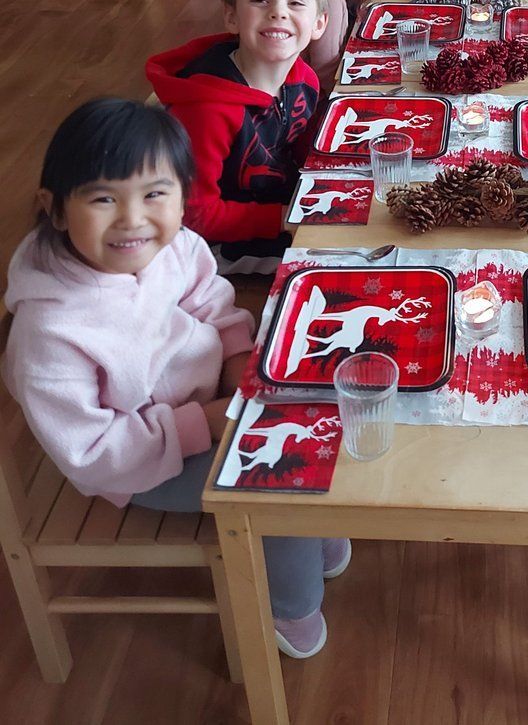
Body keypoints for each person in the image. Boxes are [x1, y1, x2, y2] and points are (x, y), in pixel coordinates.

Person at [1, 98, 350, 660]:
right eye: (103, 198)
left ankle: (306, 536)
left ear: (182, 196)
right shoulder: (50, 331)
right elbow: (94, 452)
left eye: (155, 194)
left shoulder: (171, 245)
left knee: (317, 393)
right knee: (286, 476)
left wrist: (238, 359)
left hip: (205, 400)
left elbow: (212, 300)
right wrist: (204, 425)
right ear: (56, 210)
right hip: (143, 463)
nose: (133, 218)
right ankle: (292, 605)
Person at [146, 0, 328, 273]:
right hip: (214, 241)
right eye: (260, 0)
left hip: (276, 205)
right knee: (333, 259)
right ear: (231, 16)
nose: (278, 12)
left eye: (296, 2)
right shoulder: (205, 112)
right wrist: (283, 217)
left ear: (319, 23)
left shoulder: (305, 80)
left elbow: (305, 151)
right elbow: (195, 215)